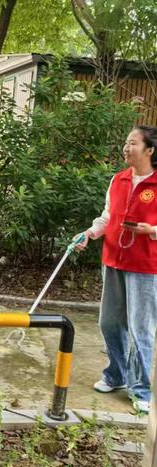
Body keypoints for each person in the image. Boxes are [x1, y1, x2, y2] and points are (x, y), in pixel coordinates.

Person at [75, 125, 157, 414]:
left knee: (141, 330)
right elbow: (107, 216)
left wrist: (152, 230)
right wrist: (89, 233)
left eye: (133, 143)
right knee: (109, 322)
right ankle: (117, 374)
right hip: (113, 260)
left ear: (150, 150)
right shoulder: (119, 179)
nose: (126, 147)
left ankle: (141, 388)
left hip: (145, 266)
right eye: (125, 142)